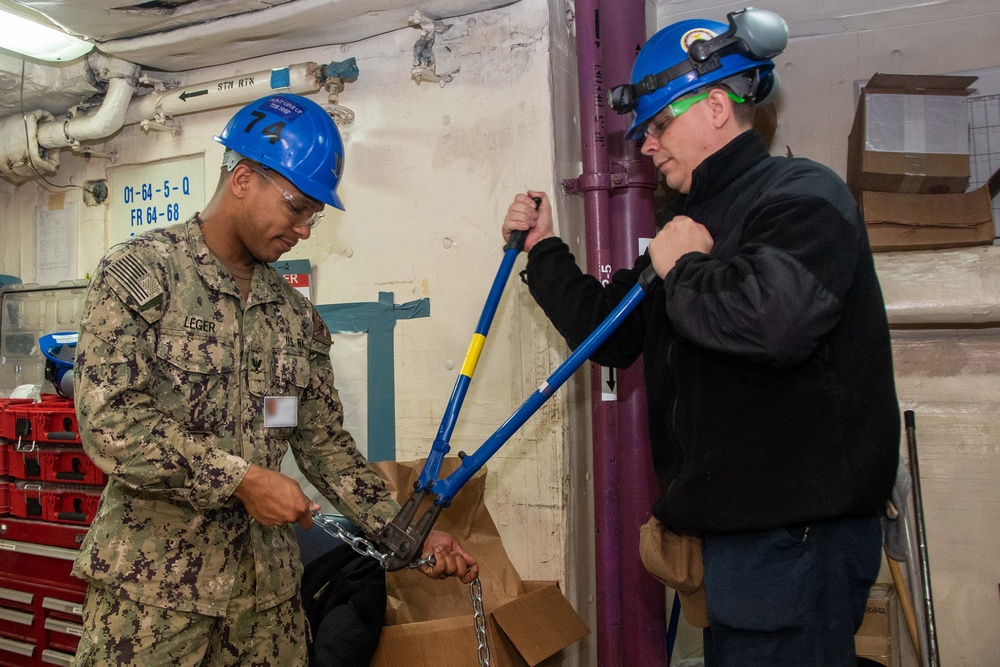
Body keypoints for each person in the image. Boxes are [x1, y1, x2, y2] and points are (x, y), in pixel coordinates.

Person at [502, 10, 899, 666]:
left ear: (717, 106)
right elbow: (611, 332)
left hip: (795, 538)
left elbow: (776, 322)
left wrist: (684, 264)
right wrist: (543, 249)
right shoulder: (688, 225)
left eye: (657, 125)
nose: (646, 145)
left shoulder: (801, 197)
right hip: (736, 542)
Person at [72, 93, 478, 667]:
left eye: (314, 214)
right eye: (297, 208)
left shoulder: (292, 318)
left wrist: (404, 533)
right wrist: (241, 480)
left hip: (264, 609)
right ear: (243, 179)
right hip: (153, 600)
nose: (304, 230)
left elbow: (320, 443)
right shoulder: (142, 277)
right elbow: (111, 422)